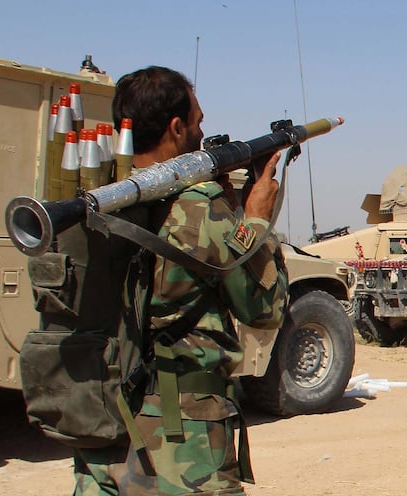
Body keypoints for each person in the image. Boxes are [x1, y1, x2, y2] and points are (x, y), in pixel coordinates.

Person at [72, 66, 288, 495]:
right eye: (197, 122)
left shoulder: (95, 197)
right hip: (179, 432)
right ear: (175, 127)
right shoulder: (197, 207)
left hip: (100, 417)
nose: (201, 129)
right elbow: (264, 310)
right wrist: (257, 219)